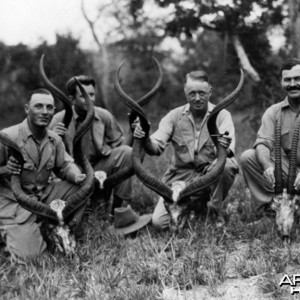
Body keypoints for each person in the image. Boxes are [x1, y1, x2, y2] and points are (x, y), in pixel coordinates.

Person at [133, 70, 239, 229]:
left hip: (206, 179)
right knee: (160, 223)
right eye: (192, 93)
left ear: (210, 90)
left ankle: (214, 210)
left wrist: (222, 145)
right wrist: (144, 137)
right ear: (185, 92)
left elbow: (227, 152)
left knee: (227, 165)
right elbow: (155, 147)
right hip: (179, 181)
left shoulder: (222, 115)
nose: (197, 98)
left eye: (202, 93)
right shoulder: (173, 116)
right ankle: (193, 210)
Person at [0, 88, 86, 263]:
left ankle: (64, 228)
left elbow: (65, 165)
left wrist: (76, 175)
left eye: (49, 107)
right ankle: (9, 234)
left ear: (54, 111)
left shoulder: (54, 139)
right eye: (39, 106)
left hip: (41, 198)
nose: (45, 112)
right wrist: (5, 170)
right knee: (33, 258)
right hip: (14, 204)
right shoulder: (7, 136)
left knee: (82, 187)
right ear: (27, 109)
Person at [49, 75, 133, 213]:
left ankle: (120, 210)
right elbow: (47, 158)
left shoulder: (104, 115)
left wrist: (133, 132)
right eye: (84, 96)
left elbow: (121, 148)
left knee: (127, 153)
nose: (90, 100)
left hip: (98, 170)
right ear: (71, 99)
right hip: (72, 174)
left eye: (92, 95)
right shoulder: (58, 119)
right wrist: (53, 137)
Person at [241, 58, 300, 216]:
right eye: (288, 79)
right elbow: (263, 144)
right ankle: (271, 210)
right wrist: (267, 166)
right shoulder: (274, 112)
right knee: (248, 157)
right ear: (281, 82)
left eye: (297, 78)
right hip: (291, 173)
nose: (293, 84)